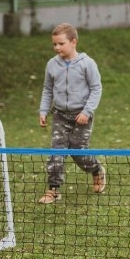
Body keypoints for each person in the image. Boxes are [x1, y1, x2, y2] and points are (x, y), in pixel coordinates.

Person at [37, 23, 105, 204]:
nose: (57, 47)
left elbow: (96, 88)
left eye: (61, 43)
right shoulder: (52, 65)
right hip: (60, 115)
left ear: (73, 42)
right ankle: (53, 189)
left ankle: (97, 170)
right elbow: (47, 90)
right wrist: (43, 110)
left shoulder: (87, 64)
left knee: (78, 152)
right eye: (54, 44)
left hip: (81, 116)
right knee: (56, 152)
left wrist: (87, 111)